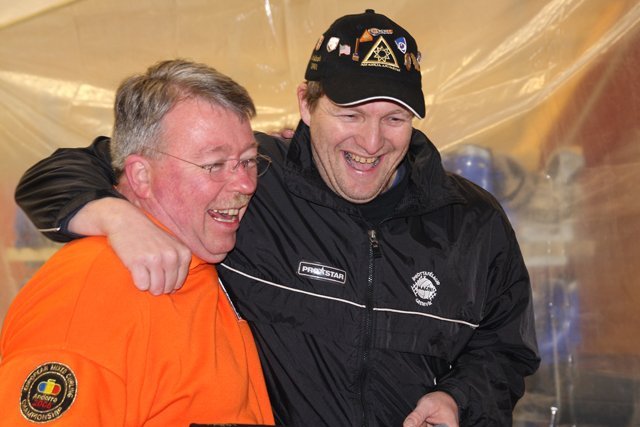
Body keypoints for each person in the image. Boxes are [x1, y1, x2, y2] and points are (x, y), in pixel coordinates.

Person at [14, 10, 540, 427]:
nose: (371, 141)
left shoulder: (472, 222)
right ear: (306, 106)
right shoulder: (254, 181)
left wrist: (458, 399)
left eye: (394, 118)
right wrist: (115, 216)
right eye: (350, 114)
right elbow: (83, 168)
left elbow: (505, 349)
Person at [2, 59, 275, 425]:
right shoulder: (92, 294)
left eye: (249, 160)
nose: (245, 183)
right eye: (214, 165)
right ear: (141, 176)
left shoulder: (196, 261)